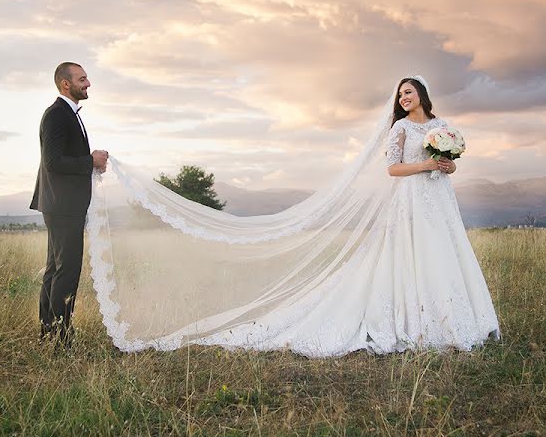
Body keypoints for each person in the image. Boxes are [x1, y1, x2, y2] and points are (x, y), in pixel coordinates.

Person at [87, 75, 499, 357]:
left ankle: (453, 320)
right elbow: (391, 170)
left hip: (439, 201)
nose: (404, 98)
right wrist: (428, 166)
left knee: (443, 255)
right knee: (411, 257)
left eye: (409, 92)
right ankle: (419, 321)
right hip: (410, 200)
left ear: (423, 95)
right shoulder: (399, 131)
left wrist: (446, 166)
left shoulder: (441, 126)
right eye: (400, 94)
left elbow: (450, 164)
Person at [30, 62, 108, 347]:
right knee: (67, 270)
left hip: (62, 204)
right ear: (66, 84)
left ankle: (49, 333)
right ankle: (61, 338)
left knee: (55, 269)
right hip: (62, 205)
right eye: (82, 79)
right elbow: (52, 162)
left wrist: (89, 162)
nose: (88, 84)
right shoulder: (57, 115)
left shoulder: (68, 114)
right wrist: (91, 161)